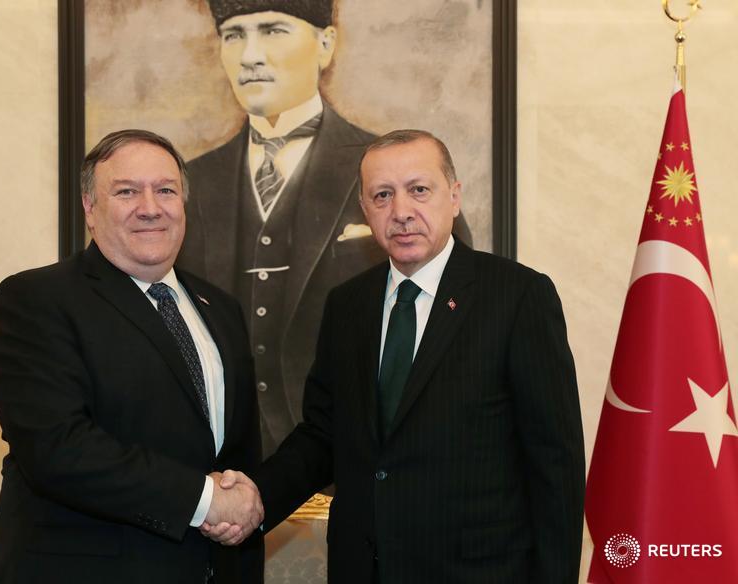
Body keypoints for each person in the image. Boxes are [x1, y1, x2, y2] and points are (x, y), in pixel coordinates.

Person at [210, 129, 586, 582]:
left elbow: (555, 465)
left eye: (419, 190)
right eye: (383, 195)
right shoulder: (348, 305)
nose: (401, 212)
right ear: (364, 208)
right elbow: (323, 436)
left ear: (454, 197)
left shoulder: (518, 296)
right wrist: (257, 496)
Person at [178, 0, 472, 457]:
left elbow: (456, 321)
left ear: (325, 43)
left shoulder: (386, 172)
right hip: (231, 459)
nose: (250, 55)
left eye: (273, 30)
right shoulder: (192, 183)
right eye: (234, 35)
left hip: (362, 456)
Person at [0, 130, 264, 583]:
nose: (150, 207)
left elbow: (237, 453)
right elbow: (58, 449)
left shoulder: (221, 309)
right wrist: (205, 499)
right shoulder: (36, 299)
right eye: (127, 191)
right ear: (89, 208)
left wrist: (242, 505)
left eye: (165, 190)